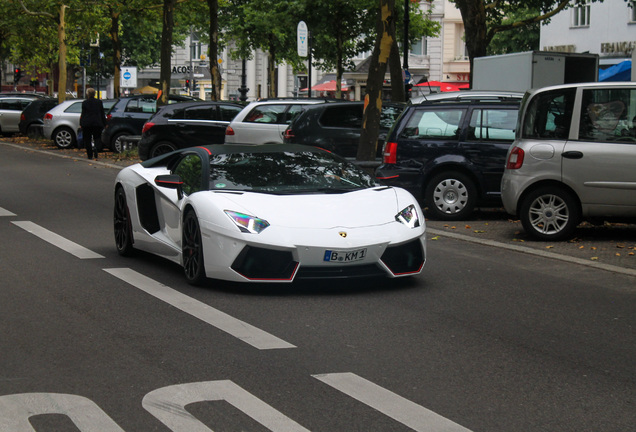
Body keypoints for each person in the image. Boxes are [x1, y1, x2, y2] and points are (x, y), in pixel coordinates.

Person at [79, 88, 106, 160]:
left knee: (87, 139)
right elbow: (102, 113)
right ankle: (96, 149)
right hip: (97, 123)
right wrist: (104, 123)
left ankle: (90, 155)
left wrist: (81, 123)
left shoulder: (85, 103)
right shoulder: (99, 102)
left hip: (87, 123)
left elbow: (83, 114)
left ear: (87, 94)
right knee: (97, 138)